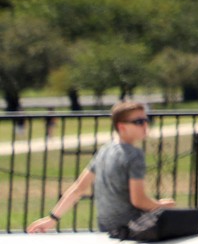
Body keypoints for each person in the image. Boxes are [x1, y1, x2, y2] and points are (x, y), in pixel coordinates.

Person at [28, 101, 174, 236]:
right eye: (139, 122)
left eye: (146, 120)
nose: (145, 125)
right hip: (131, 227)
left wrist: (52, 218)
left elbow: (78, 189)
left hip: (106, 227)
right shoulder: (134, 155)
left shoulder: (105, 150)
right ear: (122, 127)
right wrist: (160, 205)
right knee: (188, 219)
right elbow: (139, 201)